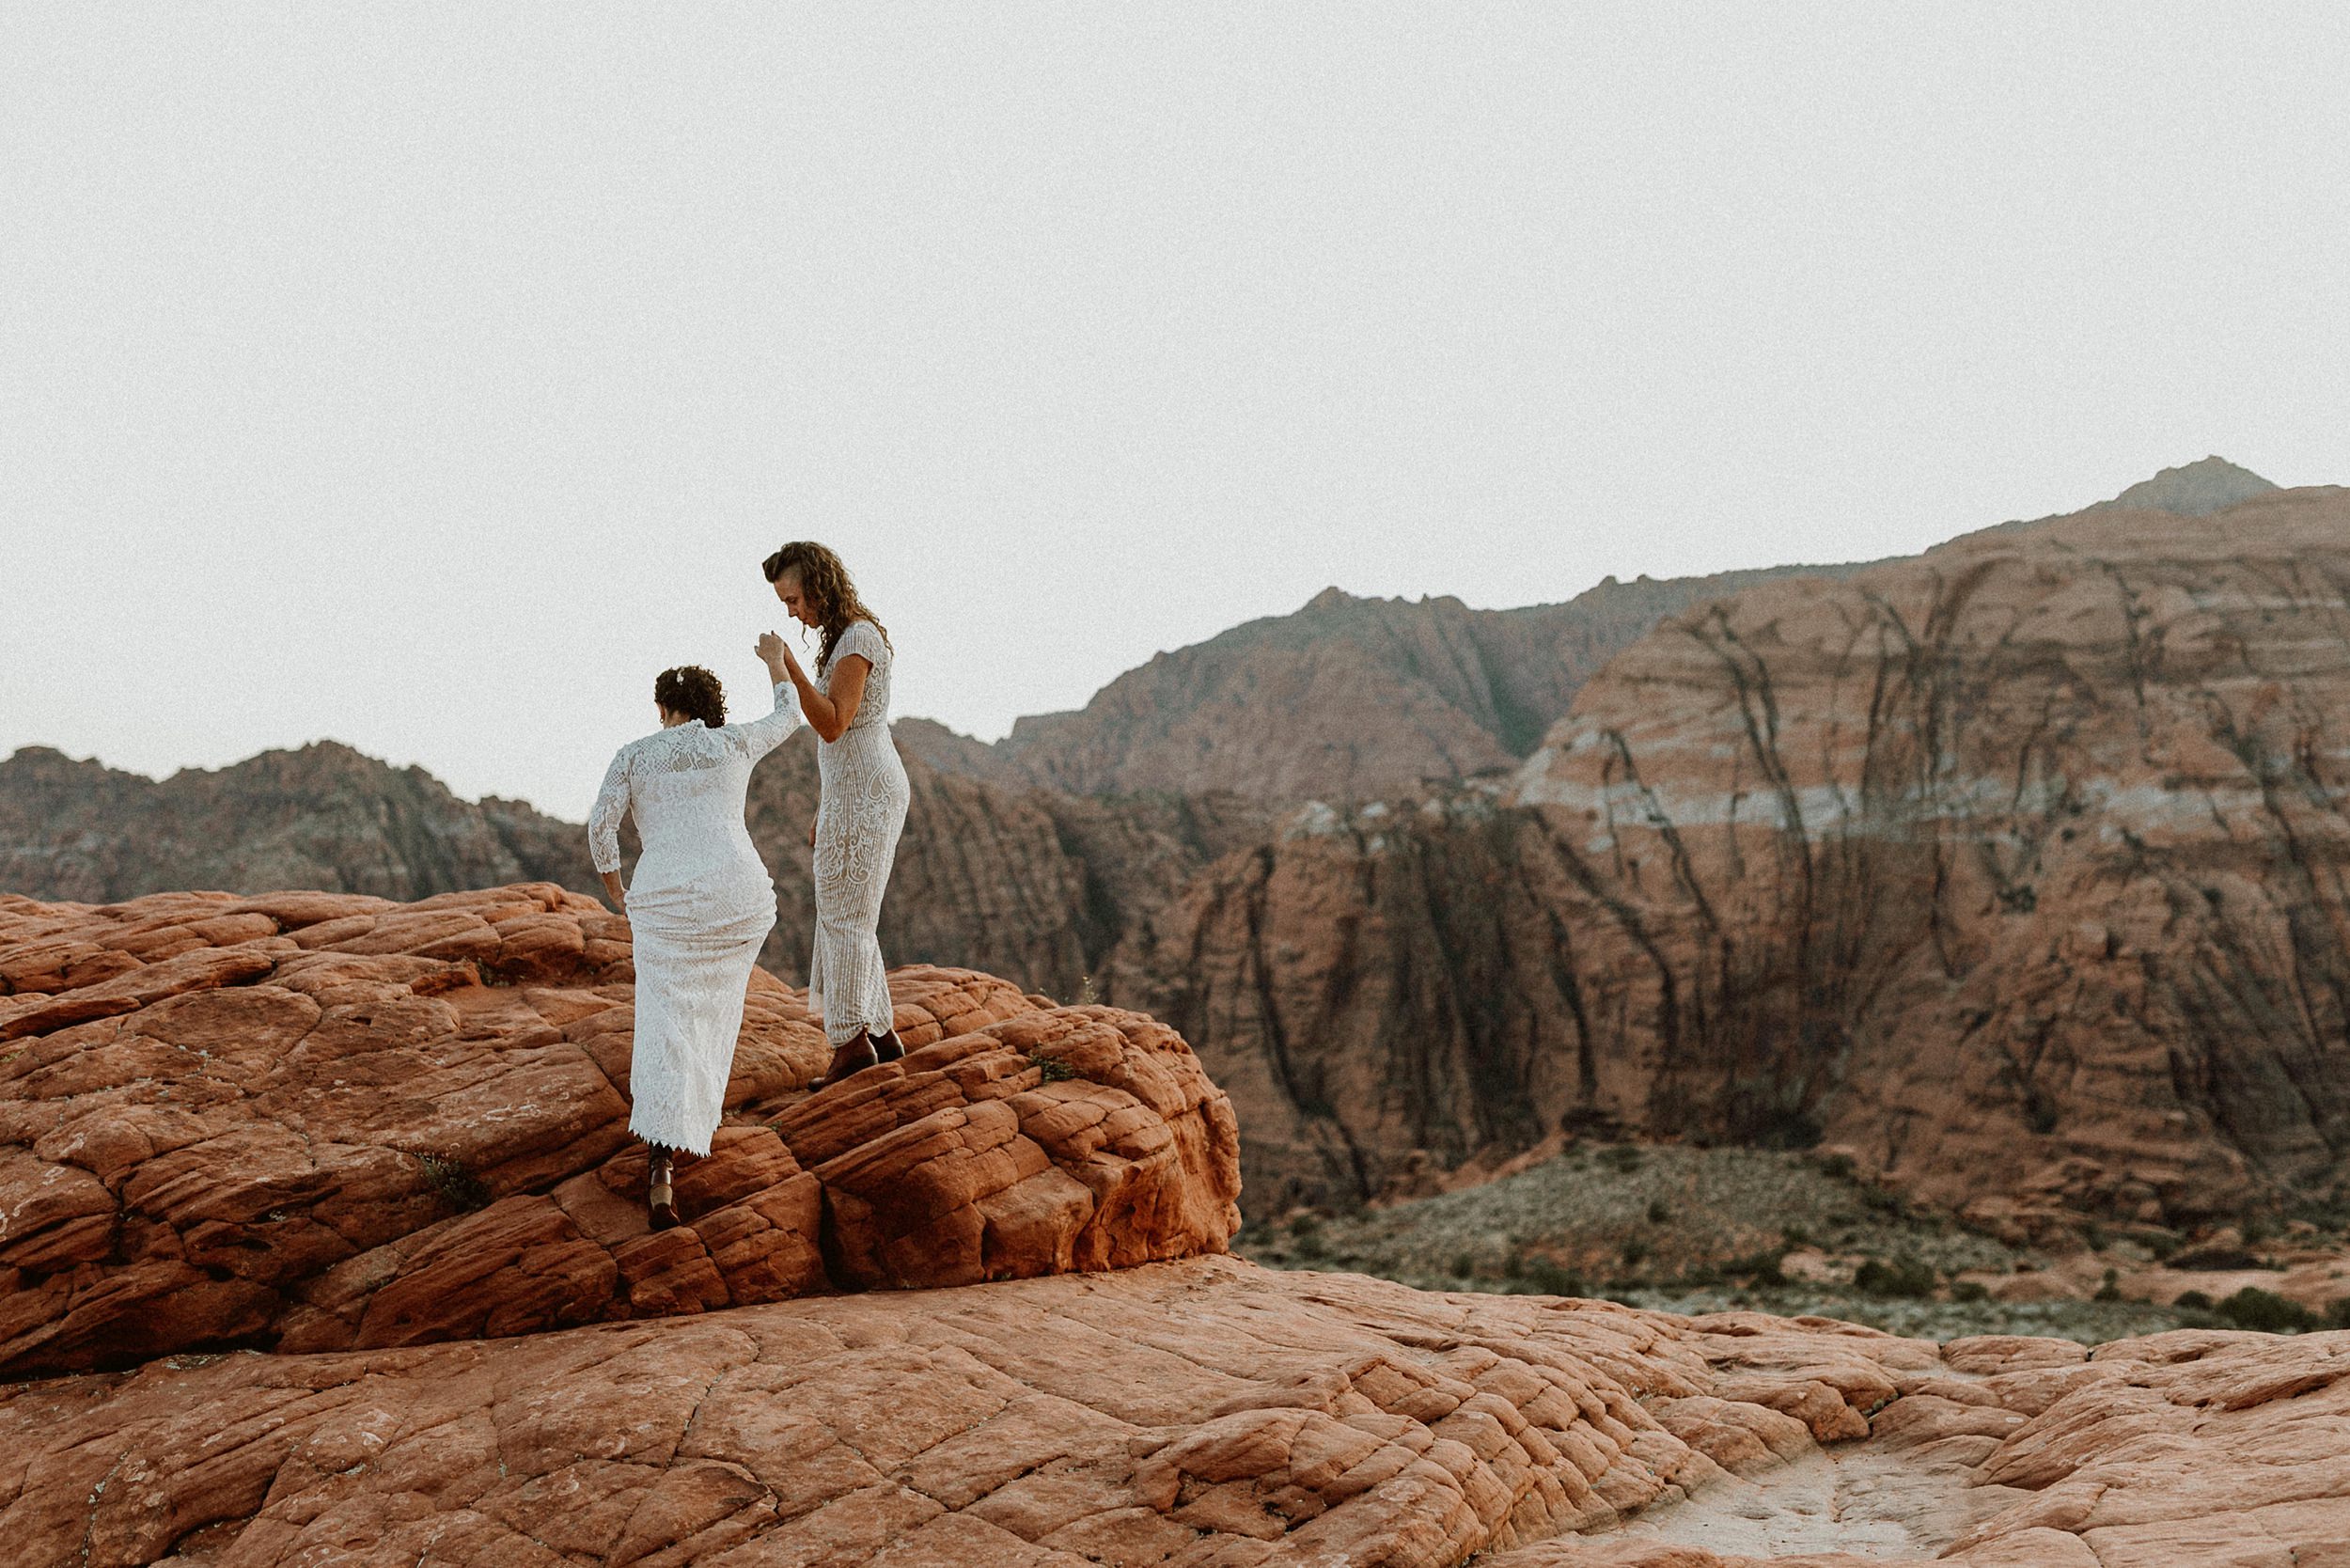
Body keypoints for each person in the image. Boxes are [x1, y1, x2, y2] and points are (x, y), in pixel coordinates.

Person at [588, 653, 798, 1229]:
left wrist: (618, 890)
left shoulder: (633, 755)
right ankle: (697, 1121)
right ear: (710, 707)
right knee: (712, 1012)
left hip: (664, 904)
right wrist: (776, 660)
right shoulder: (732, 743)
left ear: (663, 709)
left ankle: (661, 1165)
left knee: (665, 1019)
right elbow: (789, 715)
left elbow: (600, 827)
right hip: (738, 900)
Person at [761, 541, 912, 1087]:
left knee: (846, 916)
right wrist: (826, 808)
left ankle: (850, 1045)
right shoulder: (846, 639)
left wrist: (787, 667)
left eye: (794, 598)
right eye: (785, 602)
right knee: (846, 911)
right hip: (850, 795)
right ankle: (881, 1033)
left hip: (869, 793)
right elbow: (837, 744)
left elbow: (833, 723)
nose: (792, 611)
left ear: (819, 586)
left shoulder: (859, 639)